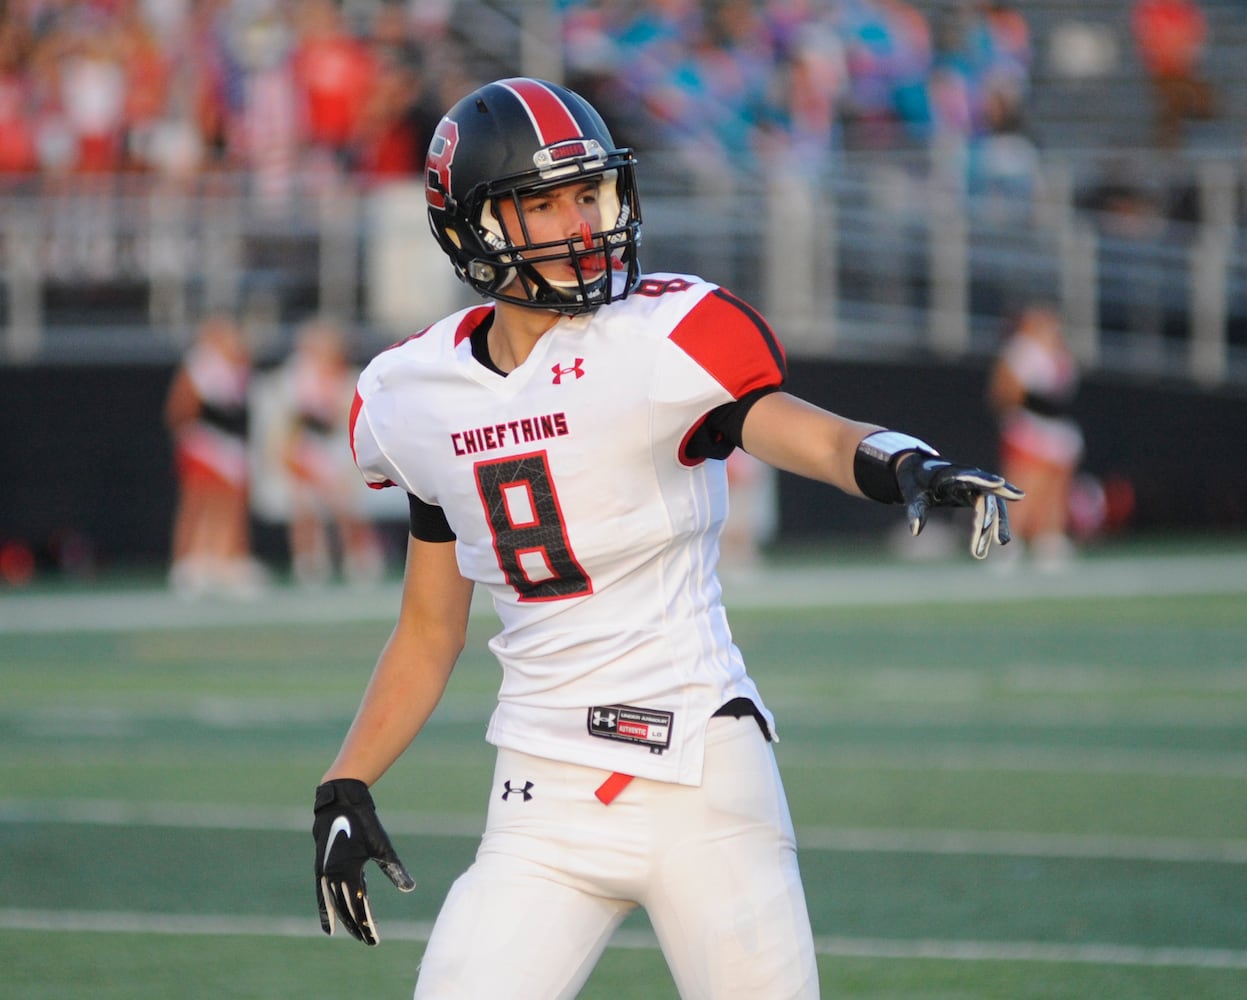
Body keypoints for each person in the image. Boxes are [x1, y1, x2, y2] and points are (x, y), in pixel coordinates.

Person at [312, 77, 1023, 999]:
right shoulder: (411, 397)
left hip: (700, 778)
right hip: (541, 795)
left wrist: (898, 462)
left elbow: (788, 424)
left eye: (588, 193)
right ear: (472, 227)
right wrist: (345, 783)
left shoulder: (657, 336)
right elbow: (427, 627)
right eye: (543, 202)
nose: (580, 223)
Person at [164, 312, 267, 598]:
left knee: (232, 502)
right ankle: (188, 561)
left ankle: (226, 560)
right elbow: (181, 409)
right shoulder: (199, 365)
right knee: (198, 499)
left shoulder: (237, 366)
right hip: (204, 441)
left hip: (230, 445)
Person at [280, 316, 383, 587]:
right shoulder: (300, 373)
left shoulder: (348, 375)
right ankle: (309, 560)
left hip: (336, 443)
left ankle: (359, 556)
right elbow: (294, 415)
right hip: (308, 443)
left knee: (346, 505)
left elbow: (344, 414)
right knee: (304, 506)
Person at [987, 304, 1083, 569]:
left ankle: (1050, 539)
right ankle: (1007, 541)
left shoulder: (1059, 349)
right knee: (1024, 486)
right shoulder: (1020, 350)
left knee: (1055, 489)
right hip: (1030, 424)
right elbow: (1004, 391)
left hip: (1057, 426)